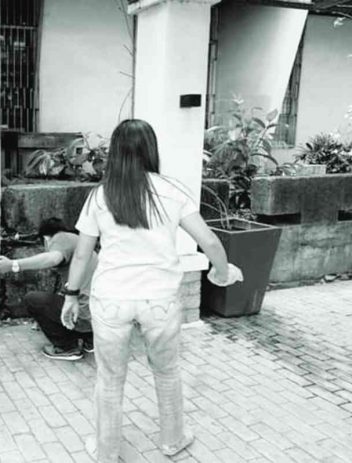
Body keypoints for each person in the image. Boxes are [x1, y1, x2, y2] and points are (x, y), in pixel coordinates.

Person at [60, 119, 242, 461]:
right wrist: (222, 271)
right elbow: (209, 240)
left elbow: (83, 253)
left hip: (111, 299)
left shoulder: (100, 195)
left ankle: (106, 451)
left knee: (110, 379)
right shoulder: (172, 191)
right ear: (151, 150)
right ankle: (173, 441)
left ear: (114, 153)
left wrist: (71, 295)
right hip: (159, 300)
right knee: (167, 372)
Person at [0, 217, 98, 360]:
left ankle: (67, 347)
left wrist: (13, 265)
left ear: (46, 238)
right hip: (99, 314)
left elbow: (53, 258)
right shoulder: (77, 240)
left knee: (33, 299)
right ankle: (90, 340)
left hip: (85, 313)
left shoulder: (60, 239)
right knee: (54, 303)